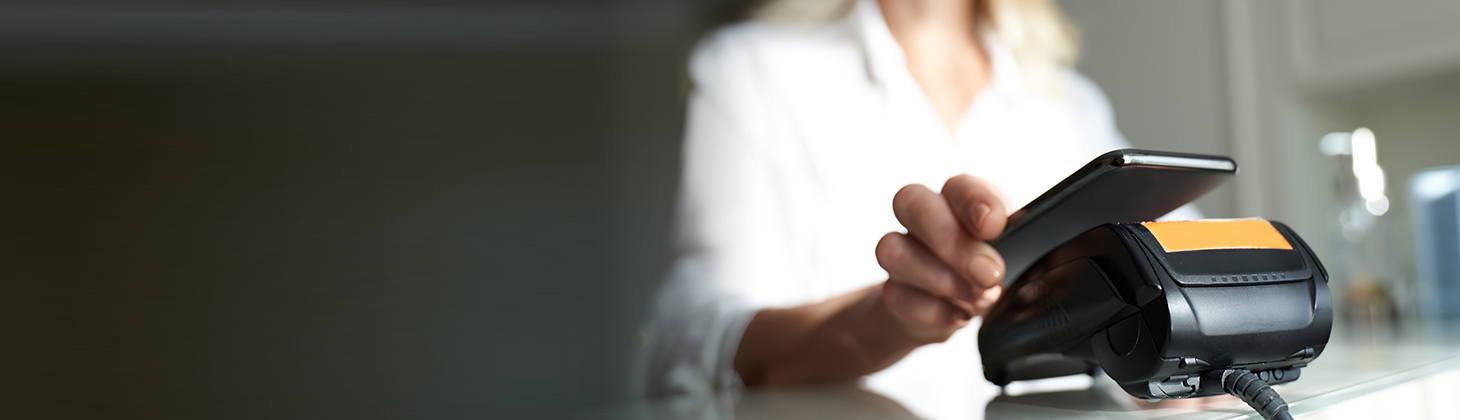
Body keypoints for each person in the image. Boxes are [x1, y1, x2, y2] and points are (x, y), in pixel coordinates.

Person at [633, 0, 1197, 416]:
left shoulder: (1070, 107)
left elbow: (1190, 296)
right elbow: (691, 340)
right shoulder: (752, 72)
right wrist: (880, 322)